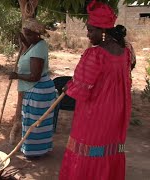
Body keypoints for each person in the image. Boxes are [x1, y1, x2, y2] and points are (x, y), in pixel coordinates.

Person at [59, 1, 132, 179]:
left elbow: (81, 88)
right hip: (117, 112)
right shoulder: (124, 52)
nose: (88, 34)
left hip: (96, 113)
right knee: (109, 148)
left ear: (103, 31)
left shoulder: (95, 54)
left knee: (89, 148)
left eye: (91, 30)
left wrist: (67, 87)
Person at [8, 18, 56, 158]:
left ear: (37, 34)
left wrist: (17, 75)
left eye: (29, 34)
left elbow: (35, 76)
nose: (27, 37)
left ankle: (34, 152)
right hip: (35, 89)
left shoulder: (39, 47)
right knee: (34, 121)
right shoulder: (34, 44)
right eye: (25, 33)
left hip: (38, 89)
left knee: (34, 123)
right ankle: (38, 150)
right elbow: (27, 44)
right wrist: (23, 39)